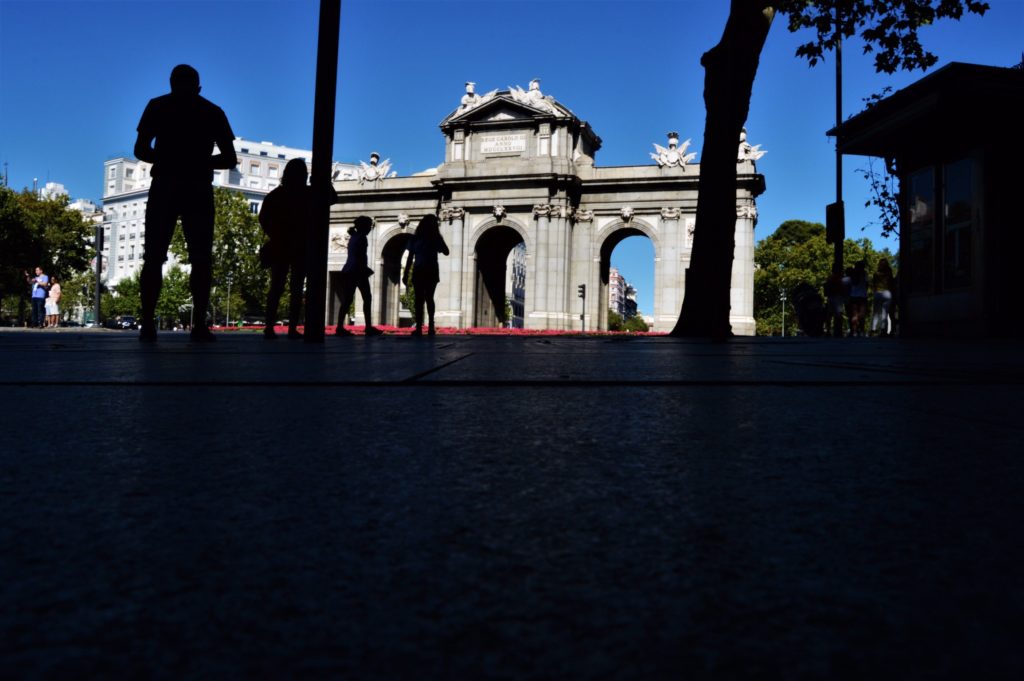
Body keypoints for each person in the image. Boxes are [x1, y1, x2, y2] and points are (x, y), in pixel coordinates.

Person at [133, 64, 237, 342]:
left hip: (164, 185)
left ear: (171, 84)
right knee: (201, 258)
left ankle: (147, 323)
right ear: (199, 87)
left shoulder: (157, 106)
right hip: (197, 187)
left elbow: (140, 149)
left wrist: (167, 159)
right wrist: (200, 161)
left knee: (153, 257)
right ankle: (199, 325)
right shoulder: (212, 111)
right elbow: (229, 158)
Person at [259, 159, 314, 340]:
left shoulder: (276, 195)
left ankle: (269, 327)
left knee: (277, 286)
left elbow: (263, 219)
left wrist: (275, 234)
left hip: (281, 245)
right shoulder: (307, 195)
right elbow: (332, 197)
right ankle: (291, 329)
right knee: (296, 288)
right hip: (299, 246)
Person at [334, 216, 382, 337]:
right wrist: (365, 269)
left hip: (350, 270)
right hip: (357, 271)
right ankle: (368, 327)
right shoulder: (362, 238)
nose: (370, 228)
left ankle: (340, 327)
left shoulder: (354, 237)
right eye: (369, 225)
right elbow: (360, 256)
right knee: (366, 298)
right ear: (363, 226)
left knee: (348, 299)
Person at [402, 214, 449, 336]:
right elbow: (446, 251)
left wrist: (406, 273)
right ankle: (431, 327)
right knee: (429, 298)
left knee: (419, 299)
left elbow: (410, 258)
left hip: (419, 270)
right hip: (431, 270)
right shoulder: (435, 238)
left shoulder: (415, 238)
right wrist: (439, 240)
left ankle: (418, 328)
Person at [871, 258, 895, 337]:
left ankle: (873, 329)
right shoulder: (889, 273)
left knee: (876, 313)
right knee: (885, 313)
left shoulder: (876, 273)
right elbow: (891, 283)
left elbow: (873, 285)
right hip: (887, 293)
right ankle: (883, 330)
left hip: (878, 293)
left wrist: (874, 292)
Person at [823, 266, 846, 338]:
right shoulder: (839, 278)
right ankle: (837, 331)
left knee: (829, 315)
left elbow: (826, 288)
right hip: (837, 297)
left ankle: (828, 331)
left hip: (830, 297)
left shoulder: (829, 278)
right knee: (838, 315)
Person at [848, 260, 869, 337]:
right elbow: (867, 284)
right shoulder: (864, 274)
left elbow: (850, 284)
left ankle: (854, 331)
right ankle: (862, 331)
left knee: (854, 314)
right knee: (862, 315)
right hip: (862, 295)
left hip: (853, 295)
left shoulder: (852, 274)